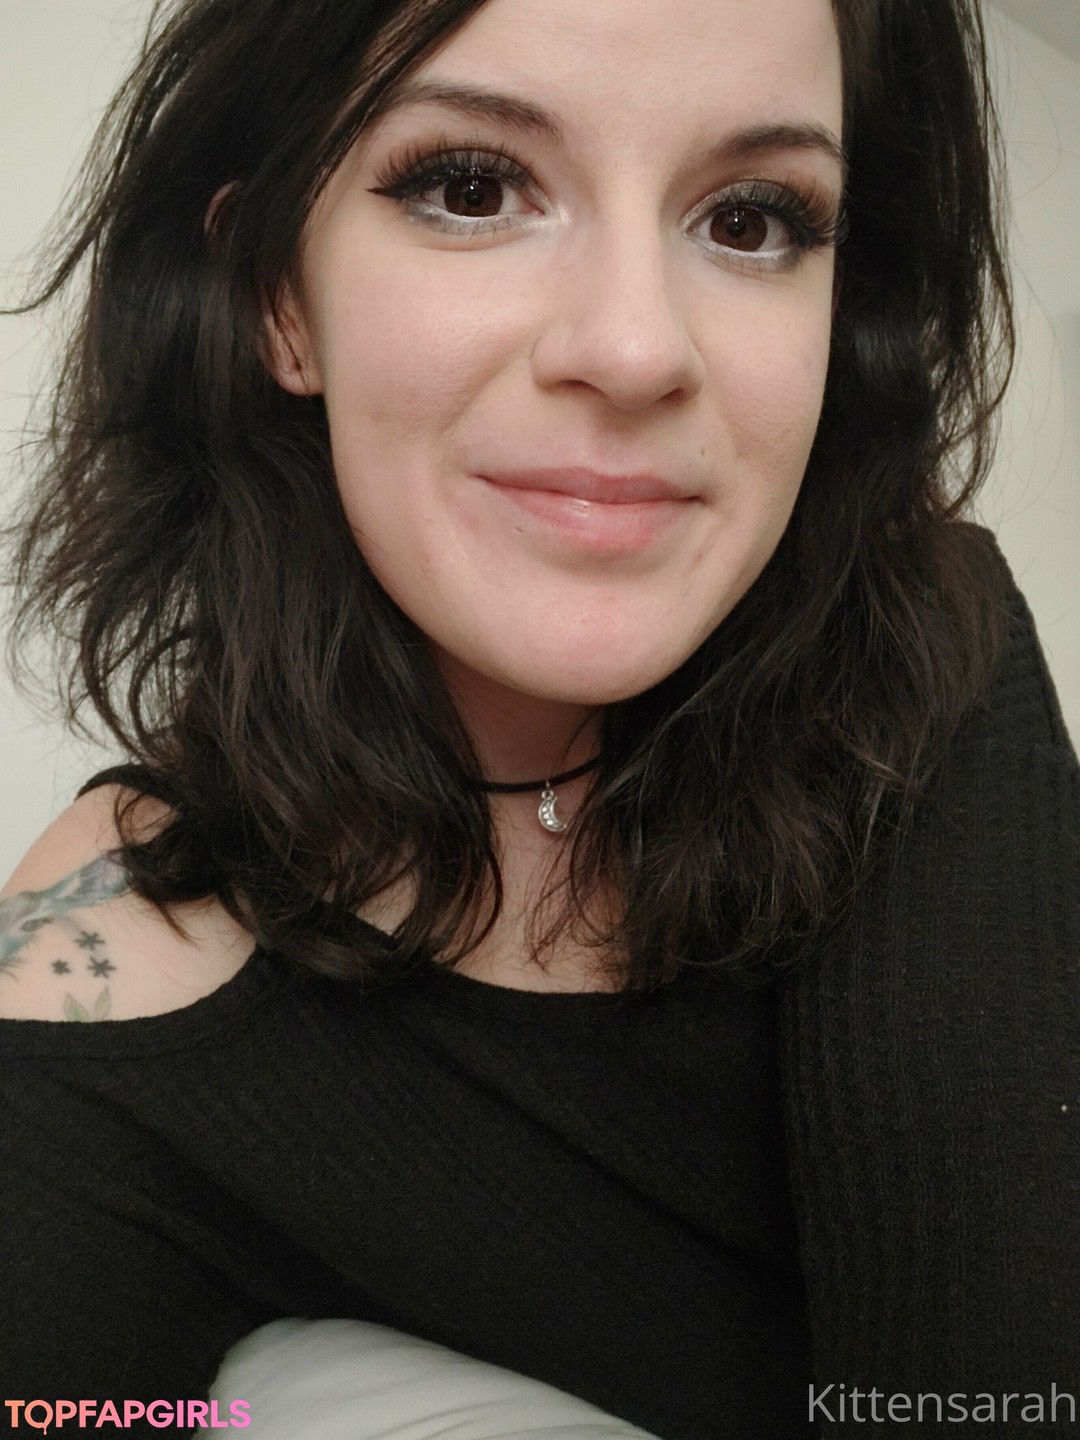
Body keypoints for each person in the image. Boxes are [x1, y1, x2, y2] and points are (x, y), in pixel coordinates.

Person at [1, 0, 1077, 1436]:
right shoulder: (96, 996)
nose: (635, 349)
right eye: (471, 187)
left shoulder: (922, 637)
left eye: (752, 219)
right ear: (276, 298)